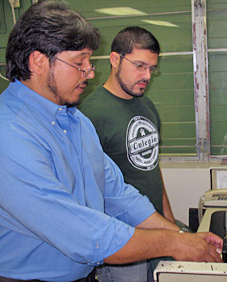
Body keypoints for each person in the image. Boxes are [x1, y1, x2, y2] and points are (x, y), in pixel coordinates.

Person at [0, 1, 223, 282]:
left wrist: (179, 234)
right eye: (79, 63)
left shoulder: (74, 120)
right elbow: (84, 234)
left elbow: (116, 192)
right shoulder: (5, 138)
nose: (90, 72)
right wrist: (175, 244)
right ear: (38, 61)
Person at [79, 26, 175, 282]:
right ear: (115, 59)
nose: (147, 76)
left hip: (156, 226)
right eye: (140, 66)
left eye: (151, 68)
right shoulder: (89, 115)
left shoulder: (146, 104)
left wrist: (169, 220)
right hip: (122, 239)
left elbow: (152, 168)